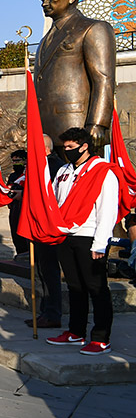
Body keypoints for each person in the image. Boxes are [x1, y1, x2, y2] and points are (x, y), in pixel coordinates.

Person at [46, 127, 119, 355]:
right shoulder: (64, 171)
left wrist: (100, 243)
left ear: (84, 145)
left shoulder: (102, 172)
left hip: (89, 236)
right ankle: (76, 332)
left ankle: (100, 337)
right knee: (75, 286)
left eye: (70, 147)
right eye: (64, 147)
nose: (67, 151)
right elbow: (56, 200)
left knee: (96, 287)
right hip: (66, 235)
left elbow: (107, 210)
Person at [35, 0, 115, 147]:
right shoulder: (44, 40)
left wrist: (98, 123)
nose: (45, 3)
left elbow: (104, 79)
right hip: (46, 131)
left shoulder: (93, 28)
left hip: (77, 127)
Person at [34, 134, 65, 328]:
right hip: (39, 226)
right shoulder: (42, 164)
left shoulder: (54, 165)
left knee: (50, 272)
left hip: (49, 227)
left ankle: (53, 313)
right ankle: (44, 311)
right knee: (40, 271)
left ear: (45, 148)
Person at [6, 149, 28, 259]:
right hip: (14, 207)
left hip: (24, 208)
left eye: (18, 160)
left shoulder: (27, 174)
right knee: (15, 232)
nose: (15, 163)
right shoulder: (13, 176)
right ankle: (19, 253)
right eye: (13, 161)